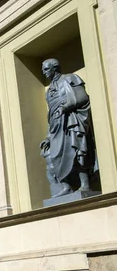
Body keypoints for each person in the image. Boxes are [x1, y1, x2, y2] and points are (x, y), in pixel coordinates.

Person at [40, 58, 97, 198]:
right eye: (43, 69)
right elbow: (51, 114)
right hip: (56, 126)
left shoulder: (70, 78)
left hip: (71, 122)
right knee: (53, 155)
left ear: (56, 68)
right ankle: (66, 187)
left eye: (46, 68)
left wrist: (65, 107)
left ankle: (85, 184)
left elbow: (83, 97)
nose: (44, 71)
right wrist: (48, 136)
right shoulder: (48, 92)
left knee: (76, 150)